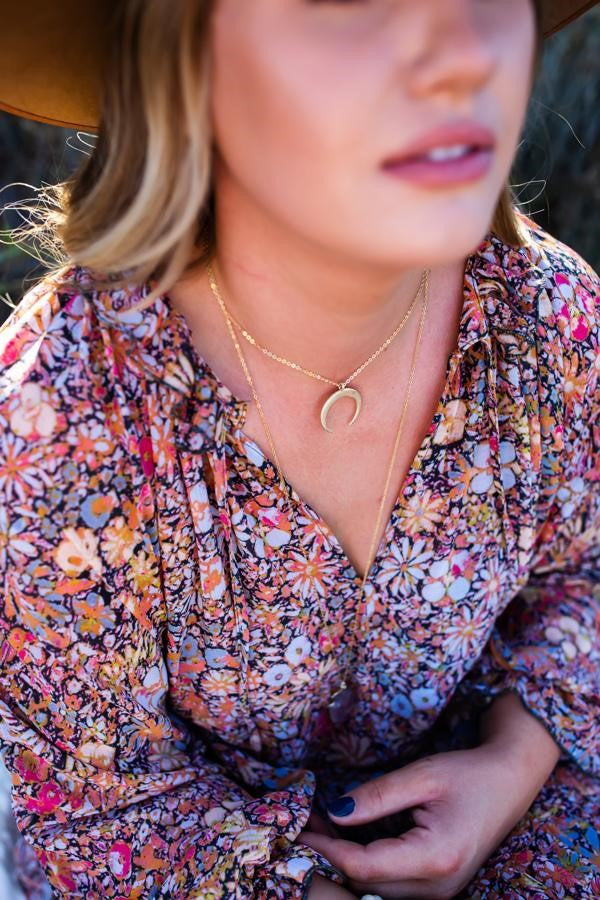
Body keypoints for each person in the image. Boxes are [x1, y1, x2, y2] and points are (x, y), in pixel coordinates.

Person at [0, 1, 598, 898]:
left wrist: (513, 765)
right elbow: (97, 802)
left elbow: (580, 578)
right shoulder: (66, 419)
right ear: (182, 54)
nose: (462, 57)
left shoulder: (547, 323)